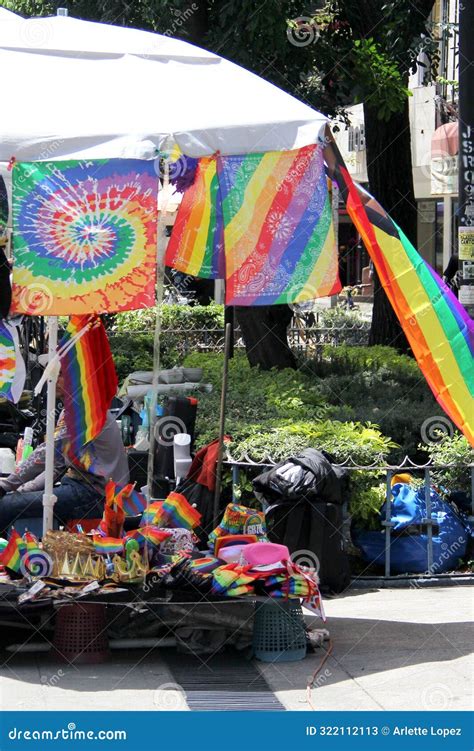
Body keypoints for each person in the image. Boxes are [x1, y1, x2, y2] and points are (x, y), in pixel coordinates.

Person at [0, 370, 129, 534]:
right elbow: (56, 465)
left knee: (5, 506)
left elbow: (48, 452)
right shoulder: (73, 410)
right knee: (12, 501)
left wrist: (6, 485)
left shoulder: (83, 412)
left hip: (95, 495)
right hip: (81, 488)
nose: (53, 379)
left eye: (61, 374)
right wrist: (20, 489)